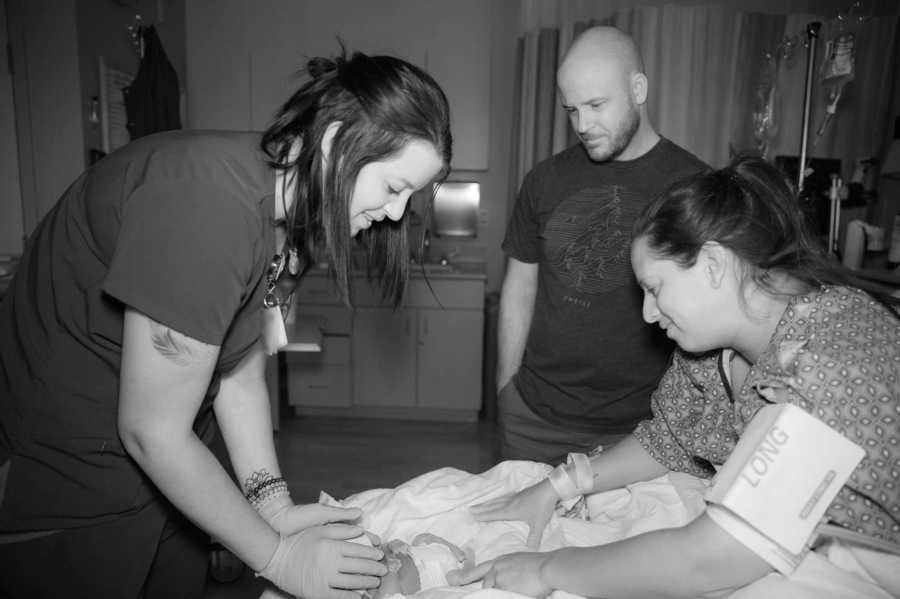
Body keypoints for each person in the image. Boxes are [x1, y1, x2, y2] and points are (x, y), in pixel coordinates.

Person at [0, 48, 452, 599]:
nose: (397, 214)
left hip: (169, 461)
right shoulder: (206, 203)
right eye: (394, 186)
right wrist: (279, 555)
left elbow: (241, 370)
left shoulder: (299, 224)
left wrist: (272, 506)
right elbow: (151, 430)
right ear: (334, 143)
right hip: (71, 473)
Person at [463, 157, 900, 597]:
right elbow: (668, 440)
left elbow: (710, 559)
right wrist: (555, 487)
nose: (648, 314)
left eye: (654, 288)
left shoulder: (823, 364)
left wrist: (545, 570)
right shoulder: (712, 354)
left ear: (712, 264)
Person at [496, 25, 707, 464]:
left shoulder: (695, 186)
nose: (582, 125)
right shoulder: (543, 180)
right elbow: (520, 287)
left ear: (638, 89)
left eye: (596, 105)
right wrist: (505, 387)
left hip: (642, 431)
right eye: (571, 110)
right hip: (533, 419)